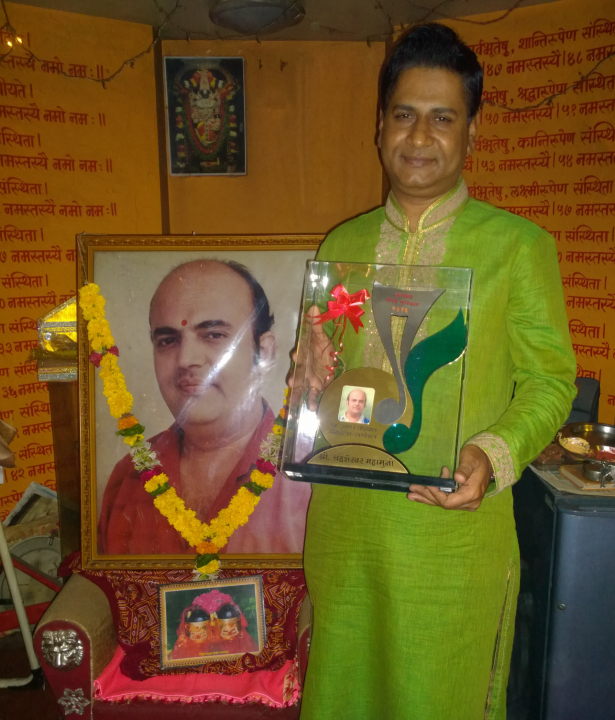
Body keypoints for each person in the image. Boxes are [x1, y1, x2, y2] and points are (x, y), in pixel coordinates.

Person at [299, 23, 576, 720]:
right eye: (403, 114)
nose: (419, 136)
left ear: (471, 132)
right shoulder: (342, 245)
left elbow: (550, 382)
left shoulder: (517, 247)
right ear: (379, 126)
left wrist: (492, 453)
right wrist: (306, 370)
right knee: (343, 694)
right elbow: (325, 381)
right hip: (346, 533)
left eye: (442, 118)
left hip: (452, 539)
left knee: (439, 698)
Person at [98, 259, 311, 555]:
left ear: (264, 352)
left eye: (213, 335)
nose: (186, 359)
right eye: (168, 340)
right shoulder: (129, 477)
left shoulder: (308, 477)